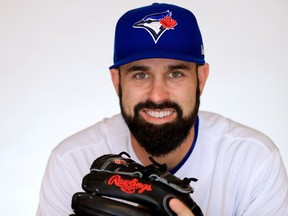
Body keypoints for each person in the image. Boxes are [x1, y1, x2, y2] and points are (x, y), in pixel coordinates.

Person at [36, 3, 288, 216]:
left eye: (176, 73)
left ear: (201, 78)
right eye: (141, 74)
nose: (157, 95)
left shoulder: (253, 160)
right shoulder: (70, 161)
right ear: (117, 81)